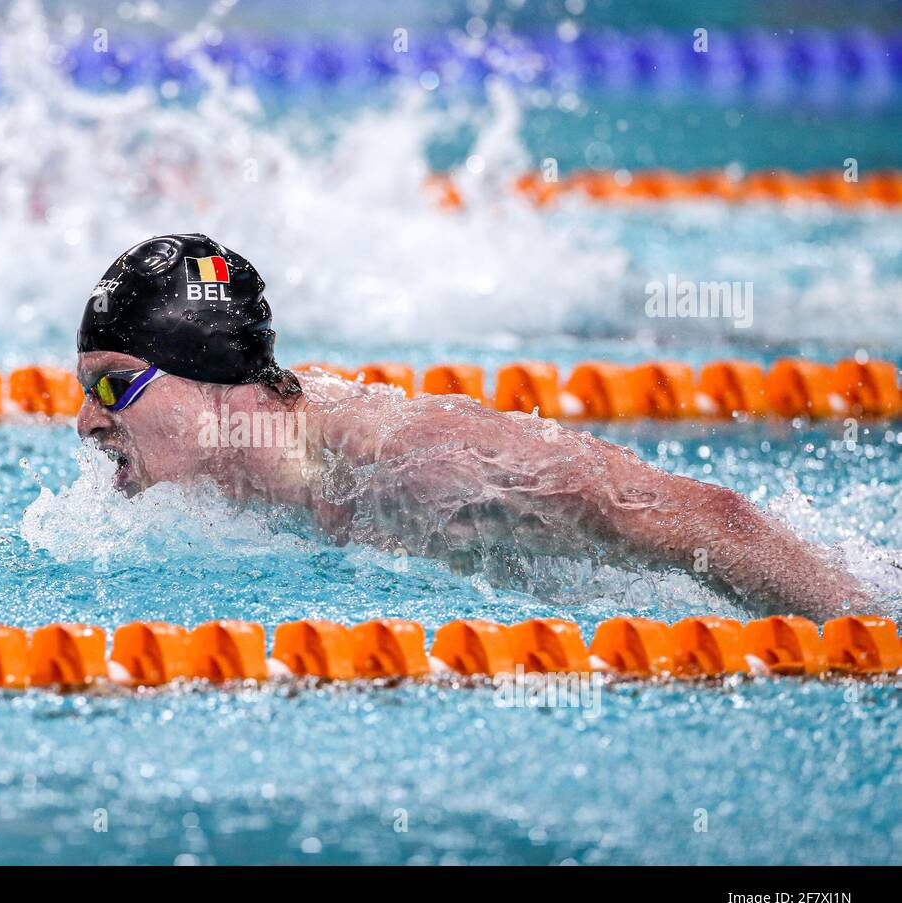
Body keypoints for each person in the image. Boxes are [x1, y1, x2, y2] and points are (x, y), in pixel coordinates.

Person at [76, 233, 872, 621]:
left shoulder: (419, 474)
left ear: (212, 376)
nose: (86, 422)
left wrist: (866, 636)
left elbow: (706, 520)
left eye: (111, 386)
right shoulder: (250, 481)